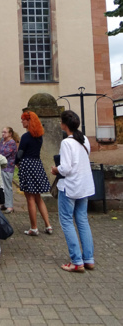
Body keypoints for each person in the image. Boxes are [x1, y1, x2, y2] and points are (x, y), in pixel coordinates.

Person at [51, 110, 95, 273]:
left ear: (64, 125)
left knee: (67, 221)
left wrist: (56, 169)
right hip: (84, 185)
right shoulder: (84, 139)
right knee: (82, 221)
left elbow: (67, 168)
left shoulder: (67, 143)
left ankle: (76, 260)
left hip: (70, 186)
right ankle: (88, 259)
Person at [17, 111, 52, 236]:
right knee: (38, 197)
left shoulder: (26, 137)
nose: (22, 121)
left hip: (27, 165)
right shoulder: (39, 136)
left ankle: (34, 227)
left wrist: (15, 162)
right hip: (37, 164)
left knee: (30, 198)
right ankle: (48, 225)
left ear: (28, 121)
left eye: (23, 119)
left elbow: (20, 153)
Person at [0, 127, 18, 214]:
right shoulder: (2, 141)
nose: (3, 134)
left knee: (7, 187)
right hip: (1, 166)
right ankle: (5, 204)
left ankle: (10, 206)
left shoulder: (12, 143)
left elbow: (4, 153)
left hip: (8, 167)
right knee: (2, 186)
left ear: (10, 134)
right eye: (2, 132)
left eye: (5, 132)